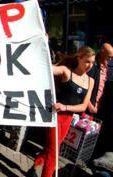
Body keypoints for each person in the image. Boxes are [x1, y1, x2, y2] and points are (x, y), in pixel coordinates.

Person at [26, 46, 96, 177]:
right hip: (55, 116)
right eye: (87, 61)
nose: (90, 65)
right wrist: (42, 45)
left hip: (68, 118)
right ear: (79, 58)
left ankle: (34, 167)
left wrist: (66, 107)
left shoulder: (90, 81)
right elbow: (47, 68)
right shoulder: (66, 71)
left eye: (92, 62)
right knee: (54, 151)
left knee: (51, 147)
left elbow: (83, 106)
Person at [87, 43, 113, 114]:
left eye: (111, 57)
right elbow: (83, 86)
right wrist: (90, 106)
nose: (110, 59)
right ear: (102, 52)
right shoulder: (92, 65)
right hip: (89, 107)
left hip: (99, 107)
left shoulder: (107, 67)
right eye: (108, 56)